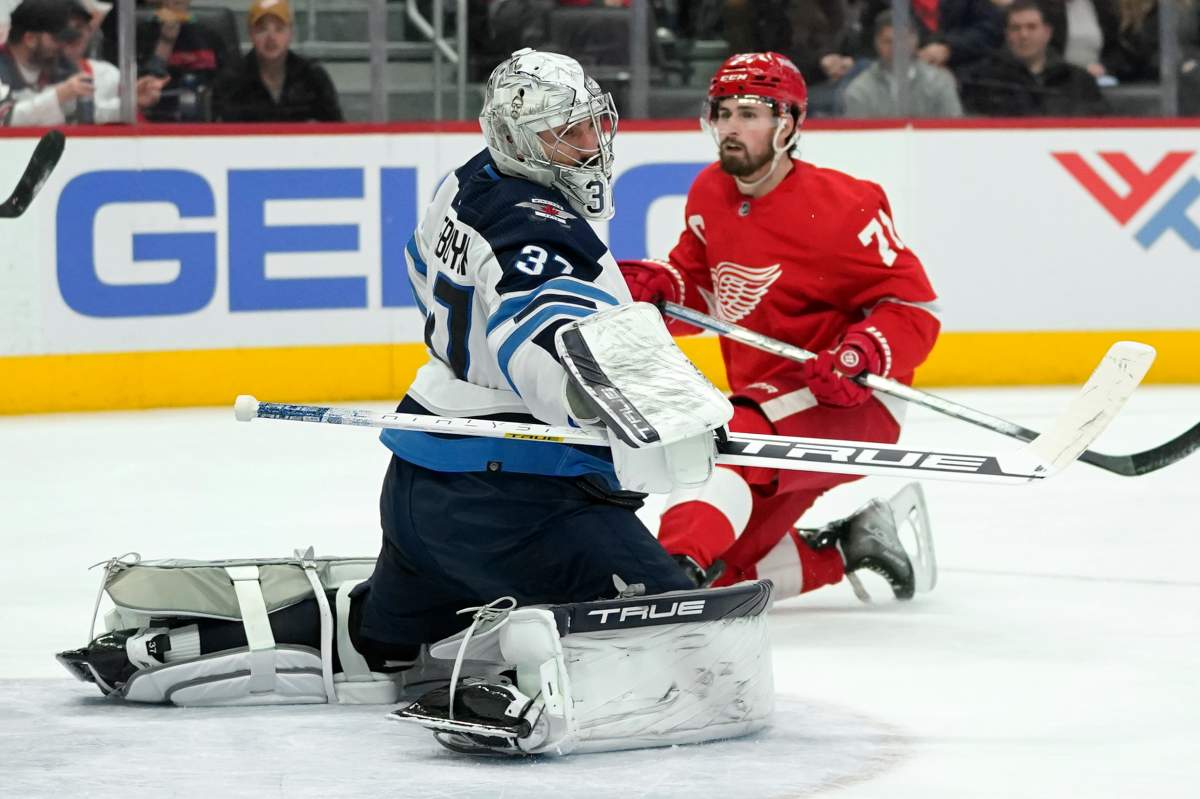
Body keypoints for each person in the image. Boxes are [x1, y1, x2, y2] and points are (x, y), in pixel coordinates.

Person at [58, 49, 770, 758]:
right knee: (699, 653)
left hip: (421, 491)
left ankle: (174, 645)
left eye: (589, 126)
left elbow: (465, 286)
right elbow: (547, 345)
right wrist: (655, 415)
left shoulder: (469, 179)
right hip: (517, 505)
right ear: (520, 136)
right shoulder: (539, 229)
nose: (588, 145)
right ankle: (514, 661)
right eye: (566, 132)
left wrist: (612, 311)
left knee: (377, 640)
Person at [619, 51, 941, 600]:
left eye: (748, 113)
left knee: (726, 447)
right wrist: (666, 289)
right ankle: (852, 547)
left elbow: (914, 310)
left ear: (787, 123)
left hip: (850, 403)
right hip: (766, 407)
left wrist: (863, 351)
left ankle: (667, 572)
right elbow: (704, 289)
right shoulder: (709, 194)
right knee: (727, 566)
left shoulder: (844, 205)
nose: (730, 127)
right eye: (722, 113)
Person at [960, 0, 1110, 116]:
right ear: (1006, 34)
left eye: (1031, 27)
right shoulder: (983, 81)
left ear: (1047, 32)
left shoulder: (1078, 80)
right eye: (1015, 28)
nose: (1024, 35)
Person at [212, 0, 342, 122]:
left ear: (290, 32)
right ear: (251, 33)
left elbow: (338, 131)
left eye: (279, 29)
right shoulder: (231, 80)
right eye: (262, 29)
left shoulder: (312, 76)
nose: (271, 38)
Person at [60, 0, 167, 123]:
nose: (74, 35)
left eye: (80, 27)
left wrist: (134, 100)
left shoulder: (109, 74)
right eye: (66, 27)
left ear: (89, 31)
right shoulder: (38, 72)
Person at [843, 9, 964, 116]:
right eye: (888, 41)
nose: (896, 48)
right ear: (876, 43)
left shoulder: (940, 82)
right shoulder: (860, 91)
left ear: (915, 39)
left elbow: (954, 133)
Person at [0, 0, 93, 125]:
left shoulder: (64, 66)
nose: (62, 45)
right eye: (56, 39)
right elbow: (5, 120)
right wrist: (58, 96)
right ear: (30, 39)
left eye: (65, 39)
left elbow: (84, 120)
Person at [137, 0, 233, 121]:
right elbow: (140, 92)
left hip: (206, 122)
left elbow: (231, 87)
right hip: (157, 122)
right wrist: (166, 42)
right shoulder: (140, 35)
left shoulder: (210, 36)